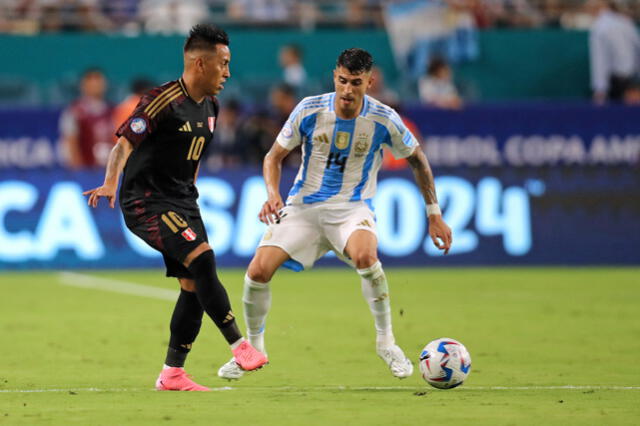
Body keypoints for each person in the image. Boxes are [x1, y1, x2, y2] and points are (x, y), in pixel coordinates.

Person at [217, 48, 452, 380]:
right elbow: (273, 157)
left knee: (366, 257)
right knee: (257, 271)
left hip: (352, 209)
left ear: (369, 82)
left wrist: (433, 213)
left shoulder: (383, 118)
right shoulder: (310, 109)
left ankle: (386, 342)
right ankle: (254, 350)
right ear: (334, 76)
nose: (347, 90)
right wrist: (273, 194)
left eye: (355, 82)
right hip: (303, 209)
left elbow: (418, 160)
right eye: (342, 80)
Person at [83, 24, 267, 392]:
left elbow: (192, 158)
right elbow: (123, 145)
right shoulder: (162, 100)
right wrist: (109, 183)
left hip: (183, 201)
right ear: (200, 64)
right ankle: (238, 344)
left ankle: (173, 373)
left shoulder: (211, 106)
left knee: (193, 285)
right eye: (223, 64)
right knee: (203, 260)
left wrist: (189, 193)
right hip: (145, 202)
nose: (228, 73)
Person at [59, 68, 114, 169]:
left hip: (109, 173)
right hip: (87, 173)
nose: (95, 85)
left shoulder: (113, 111)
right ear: (83, 85)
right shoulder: (75, 112)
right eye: (91, 81)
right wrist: (79, 172)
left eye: (98, 80)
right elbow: (70, 143)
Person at [588, 0, 640, 104]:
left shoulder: (600, 27)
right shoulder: (626, 22)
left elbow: (600, 60)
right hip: (629, 78)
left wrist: (600, 88)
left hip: (615, 82)